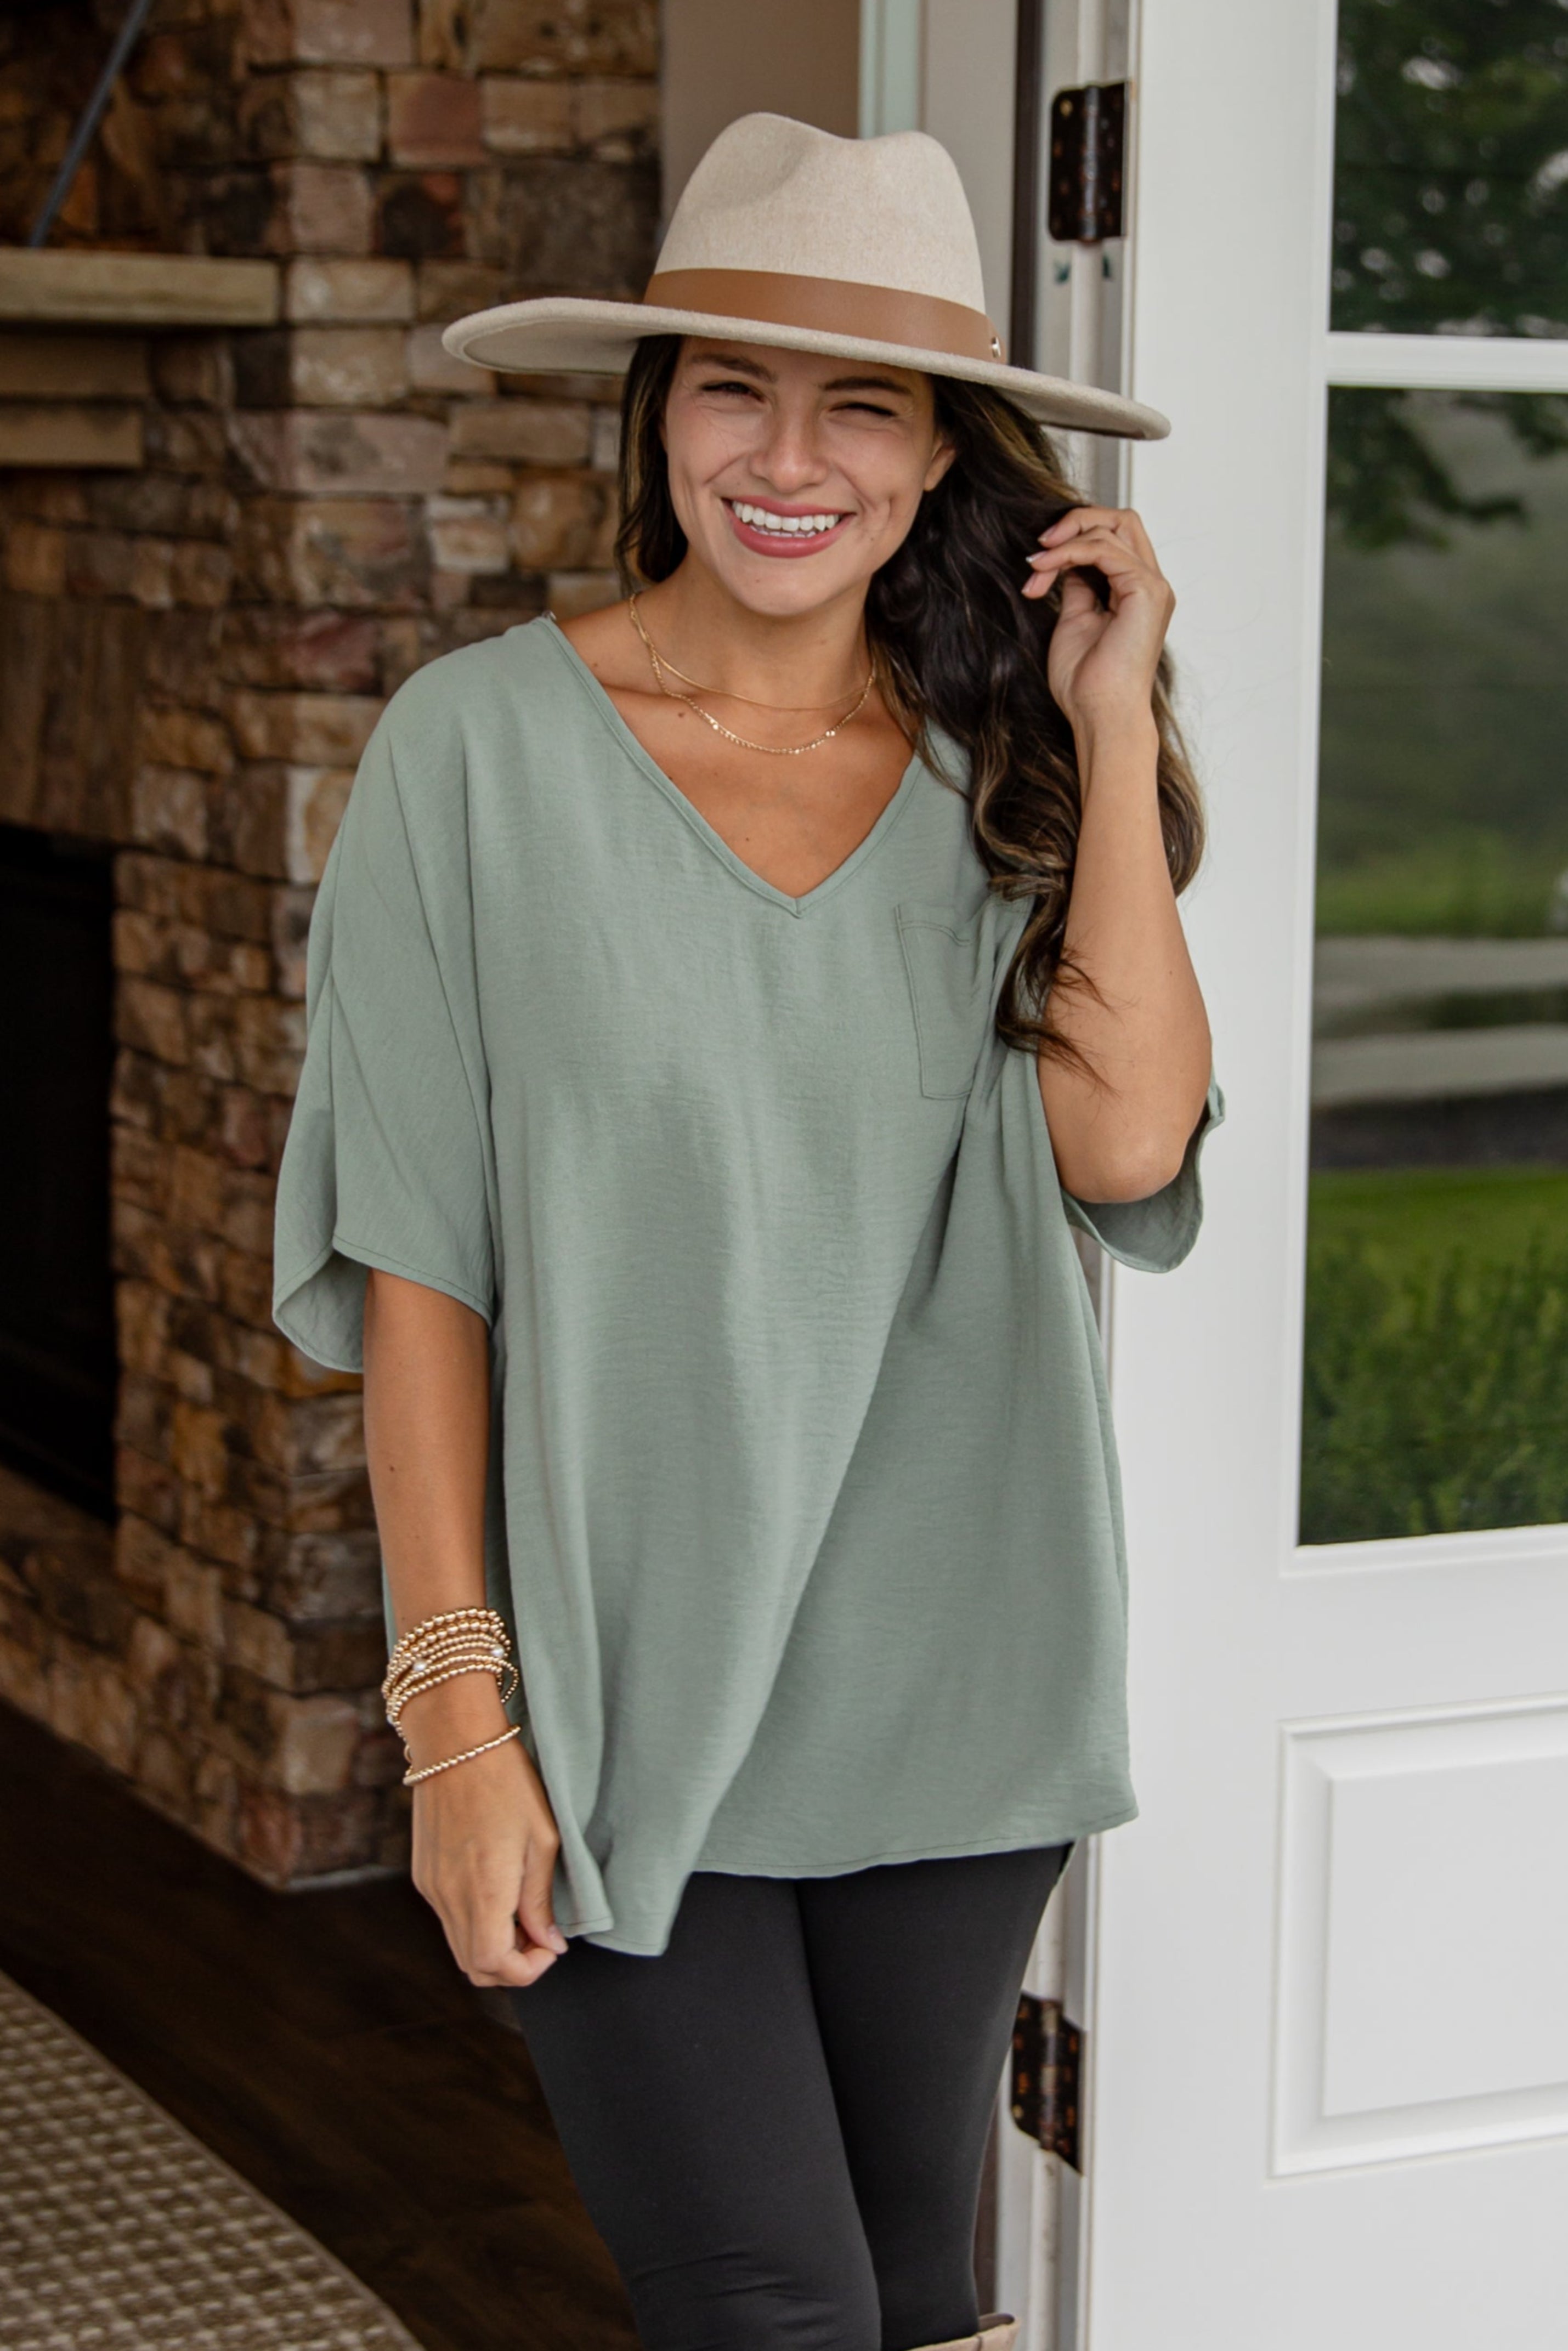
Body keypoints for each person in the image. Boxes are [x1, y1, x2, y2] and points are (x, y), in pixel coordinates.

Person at [273, 114, 1219, 2351]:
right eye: (730, 384)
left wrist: (1099, 720)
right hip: (612, 1690)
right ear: (655, 409)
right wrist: (454, 1719)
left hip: (953, 1668)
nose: (786, 454)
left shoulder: (1004, 755)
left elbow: (1122, 1141)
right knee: (767, 2299)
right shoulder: (474, 754)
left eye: (861, 402)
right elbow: (426, 1275)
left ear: (934, 454)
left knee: (910, 2294)